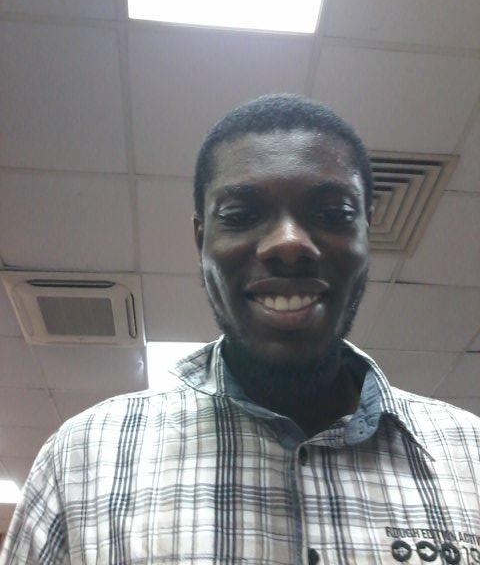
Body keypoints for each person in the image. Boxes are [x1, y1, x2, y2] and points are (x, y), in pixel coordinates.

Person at [1, 94, 479, 564]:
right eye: (241, 216)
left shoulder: (471, 455)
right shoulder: (82, 459)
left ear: (366, 235)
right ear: (201, 241)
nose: (288, 243)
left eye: (333, 214)